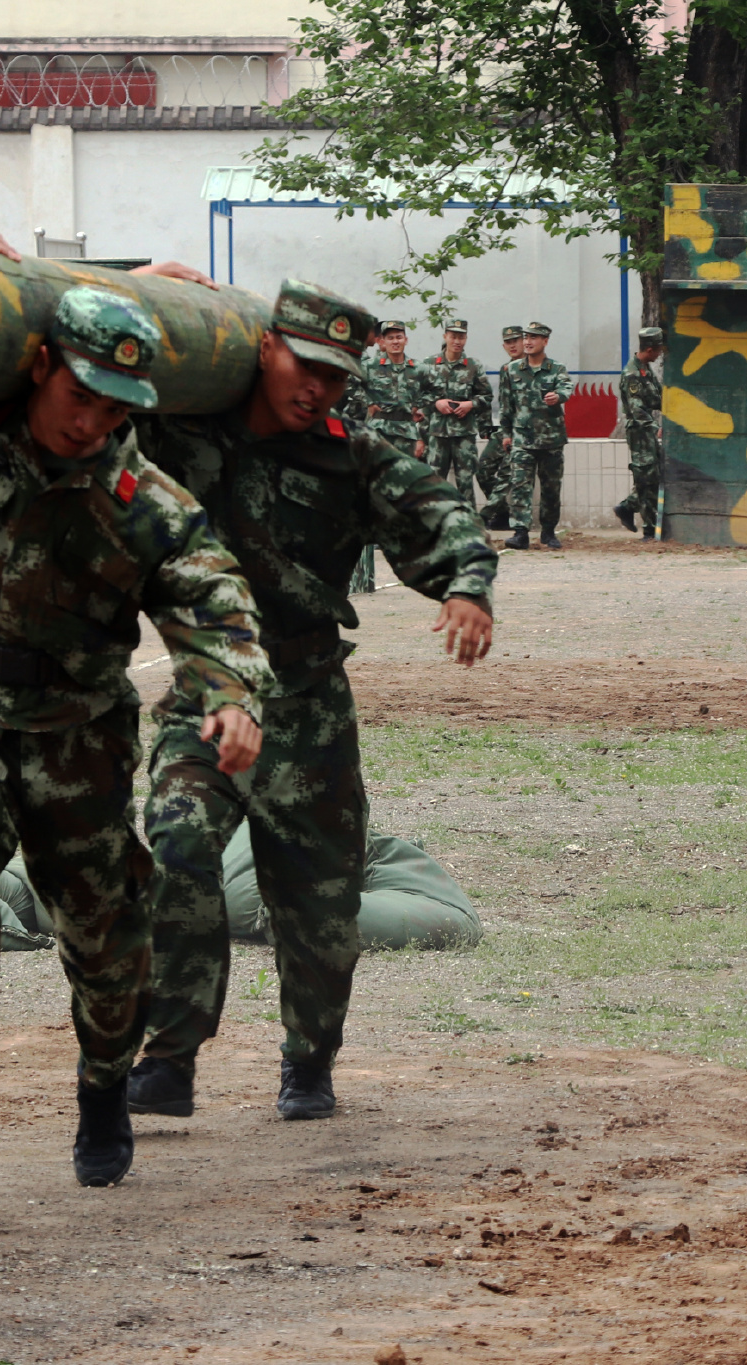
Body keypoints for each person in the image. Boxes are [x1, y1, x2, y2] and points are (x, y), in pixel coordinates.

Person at [0, 282, 275, 1214]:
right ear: (42, 367)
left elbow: (217, 604)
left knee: (104, 939)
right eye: (79, 396)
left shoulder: (145, 503)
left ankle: (103, 1083)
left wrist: (230, 696)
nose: (91, 422)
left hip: (79, 739)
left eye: (114, 408)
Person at [125, 280, 498, 1123]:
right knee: (179, 841)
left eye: (336, 376)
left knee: (319, 899)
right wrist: (156, 280)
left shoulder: (348, 458)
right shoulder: (184, 432)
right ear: (265, 349)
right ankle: (171, 1055)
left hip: (308, 701)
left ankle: (308, 1060)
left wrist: (466, 585)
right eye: (306, 366)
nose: (318, 388)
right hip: (206, 690)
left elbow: (440, 511)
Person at [498, 321, 571, 551]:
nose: (528, 342)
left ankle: (548, 532)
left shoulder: (556, 368)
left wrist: (557, 396)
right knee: (520, 486)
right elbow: (506, 404)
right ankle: (520, 533)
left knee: (551, 489)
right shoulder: (511, 370)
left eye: (534, 338)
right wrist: (506, 434)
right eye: (526, 338)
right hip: (522, 439)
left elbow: (566, 389)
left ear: (545, 341)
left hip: (551, 439)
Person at [414, 320, 494, 504]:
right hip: (437, 434)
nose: (457, 341)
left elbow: (487, 396)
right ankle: (437, 519)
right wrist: (436, 403)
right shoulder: (429, 364)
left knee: (466, 483)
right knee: (435, 483)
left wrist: (470, 405)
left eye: (461, 337)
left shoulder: (473, 366)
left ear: (466, 338)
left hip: (464, 434)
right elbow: (417, 395)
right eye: (453, 336)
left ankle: (468, 519)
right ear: (445, 337)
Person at [346, 320, 426, 454]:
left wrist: (418, 404)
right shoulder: (370, 366)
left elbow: (437, 388)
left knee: (405, 467)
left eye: (399, 337)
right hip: (378, 431)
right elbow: (346, 381)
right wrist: (368, 402)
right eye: (390, 338)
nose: (395, 342)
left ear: (406, 340)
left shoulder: (417, 368)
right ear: (382, 341)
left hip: (406, 433)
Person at [615, 327, 664, 540]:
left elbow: (657, 397)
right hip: (639, 432)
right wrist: (655, 428)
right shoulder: (632, 374)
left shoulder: (645, 368)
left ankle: (627, 507)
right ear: (650, 350)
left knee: (654, 476)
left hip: (647, 430)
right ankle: (649, 529)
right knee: (646, 478)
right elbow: (637, 411)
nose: (660, 354)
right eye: (658, 350)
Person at [478, 325, 525, 529]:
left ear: (524, 341)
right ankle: (502, 514)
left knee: (507, 474)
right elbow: (504, 403)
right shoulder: (506, 369)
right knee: (483, 469)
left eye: (516, 341)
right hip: (506, 430)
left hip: (525, 431)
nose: (512, 345)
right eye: (508, 342)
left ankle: (486, 515)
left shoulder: (533, 366)